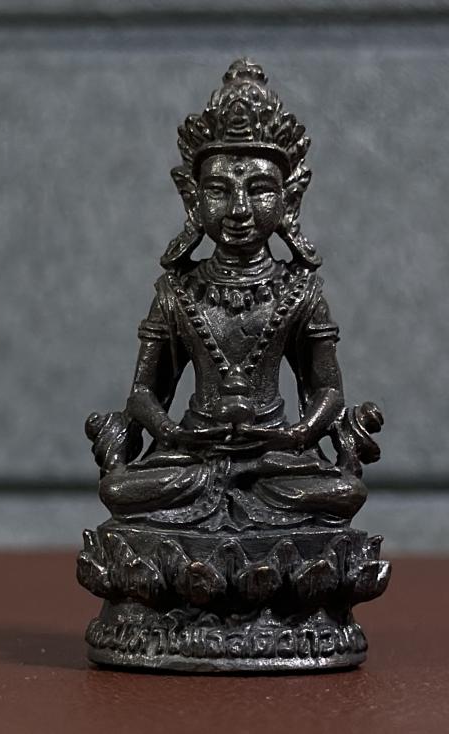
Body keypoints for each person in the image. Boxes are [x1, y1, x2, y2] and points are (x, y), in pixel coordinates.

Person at [85, 59, 383, 530]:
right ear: (192, 198)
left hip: (275, 457)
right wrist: (172, 433)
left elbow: (327, 390)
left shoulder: (300, 290)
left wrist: (299, 434)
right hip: (193, 455)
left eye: (259, 189)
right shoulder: (176, 291)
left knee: (344, 493)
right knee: (119, 491)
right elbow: (144, 392)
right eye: (219, 190)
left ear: (289, 198)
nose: (240, 209)